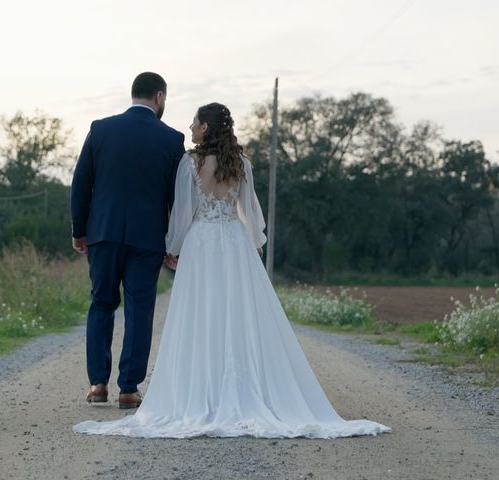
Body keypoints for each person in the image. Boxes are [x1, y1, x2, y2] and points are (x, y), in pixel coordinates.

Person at [73, 103, 392, 438]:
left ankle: (183, 389)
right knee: (236, 316)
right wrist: (252, 244)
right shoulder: (242, 164)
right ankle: (234, 385)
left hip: (200, 244)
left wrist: (173, 247)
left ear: (206, 128)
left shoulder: (189, 163)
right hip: (235, 244)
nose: (191, 127)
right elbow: (250, 213)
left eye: (195, 122)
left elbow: (183, 212)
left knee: (200, 315)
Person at [69, 72, 185, 409]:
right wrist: (172, 242)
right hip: (148, 239)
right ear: (159, 98)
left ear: (133, 94)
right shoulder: (171, 139)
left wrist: (80, 230)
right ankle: (129, 389)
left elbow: (81, 183)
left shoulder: (101, 129)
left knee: (101, 303)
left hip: (103, 233)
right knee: (139, 310)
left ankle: (97, 384)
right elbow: (174, 198)